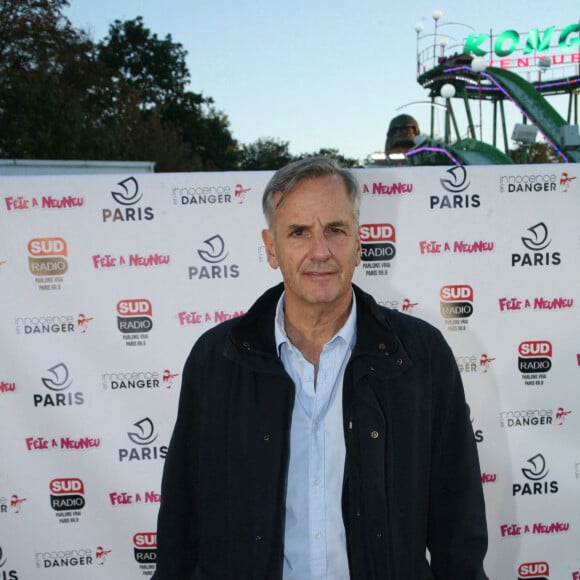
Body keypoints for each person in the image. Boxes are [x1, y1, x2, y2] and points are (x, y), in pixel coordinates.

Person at [153, 157, 488, 579]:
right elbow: (182, 518)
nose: (320, 251)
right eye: (298, 232)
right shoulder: (216, 359)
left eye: (335, 229)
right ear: (271, 247)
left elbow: (457, 519)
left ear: (358, 242)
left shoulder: (421, 355)